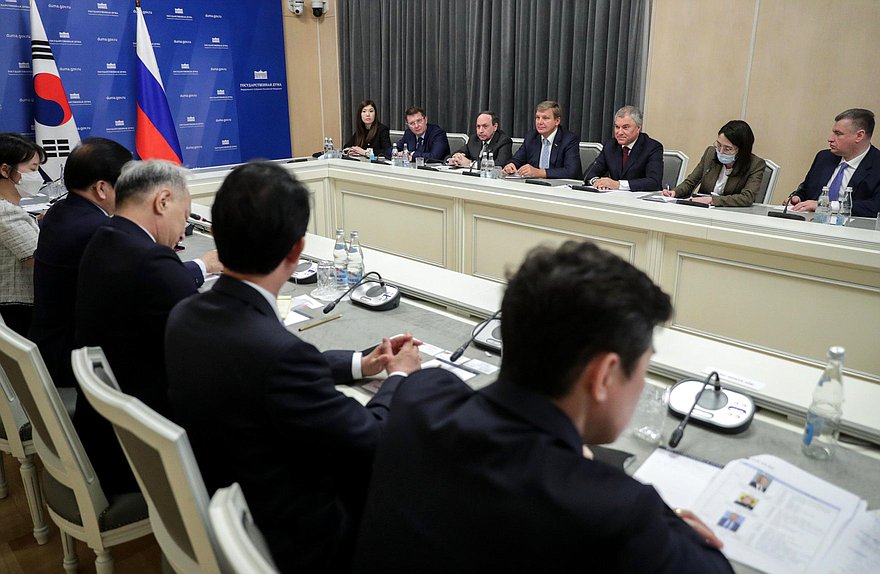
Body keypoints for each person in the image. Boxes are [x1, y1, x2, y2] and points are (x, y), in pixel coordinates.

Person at [353, 241, 732, 573]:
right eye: (644, 366)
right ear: (604, 376)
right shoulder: (617, 512)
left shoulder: (421, 396)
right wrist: (673, 523)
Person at [165, 161, 422, 573]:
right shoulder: (279, 356)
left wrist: (362, 363)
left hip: (229, 501)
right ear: (296, 249)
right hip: (299, 537)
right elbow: (371, 436)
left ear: (215, 233)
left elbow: (263, 366)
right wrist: (401, 377)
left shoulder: (185, 314)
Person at [73, 159, 221, 495]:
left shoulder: (104, 237)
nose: (183, 232)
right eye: (184, 218)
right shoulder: (151, 261)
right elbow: (210, 344)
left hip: (108, 427)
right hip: (145, 446)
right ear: (163, 201)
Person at [29, 138, 132, 389]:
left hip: (50, 346)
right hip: (75, 360)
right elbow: (139, 278)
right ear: (101, 188)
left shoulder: (60, 211)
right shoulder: (97, 228)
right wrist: (202, 266)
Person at [789, 108, 880, 217]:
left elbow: (875, 207)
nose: (830, 139)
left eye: (838, 134)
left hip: (853, 229)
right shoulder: (824, 157)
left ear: (859, 136)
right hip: (812, 224)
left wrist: (828, 206)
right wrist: (797, 198)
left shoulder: (876, 165)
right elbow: (806, 190)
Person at [0, 133, 45, 336]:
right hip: (17, 308)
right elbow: (39, 260)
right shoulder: (5, 211)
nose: (37, 175)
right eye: (33, 168)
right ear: (5, 170)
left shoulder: (11, 208)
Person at [662, 120, 765, 206]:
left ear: (742, 150)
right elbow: (690, 183)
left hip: (733, 215)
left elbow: (747, 198)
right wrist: (674, 192)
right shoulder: (710, 153)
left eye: (728, 149)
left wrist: (712, 200)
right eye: (719, 145)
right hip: (702, 211)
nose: (720, 152)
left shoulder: (755, 165)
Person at [584, 105, 664, 191]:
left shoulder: (652, 147)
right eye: (617, 127)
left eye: (625, 127)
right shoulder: (610, 145)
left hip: (639, 199)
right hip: (614, 198)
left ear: (638, 128)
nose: (619, 132)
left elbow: (654, 182)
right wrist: (597, 182)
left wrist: (618, 185)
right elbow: (590, 173)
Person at [502, 100, 582, 179]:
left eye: (545, 118)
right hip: (535, 186)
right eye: (537, 118)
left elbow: (571, 171)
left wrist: (539, 172)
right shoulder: (531, 137)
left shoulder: (569, 139)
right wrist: (511, 165)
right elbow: (517, 159)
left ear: (557, 121)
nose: (540, 122)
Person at [446, 111, 513, 168]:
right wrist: (454, 159)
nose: (480, 130)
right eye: (478, 126)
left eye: (485, 126)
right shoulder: (473, 139)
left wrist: (471, 164)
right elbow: (454, 154)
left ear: (495, 127)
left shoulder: (504, 141)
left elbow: (500, 165)